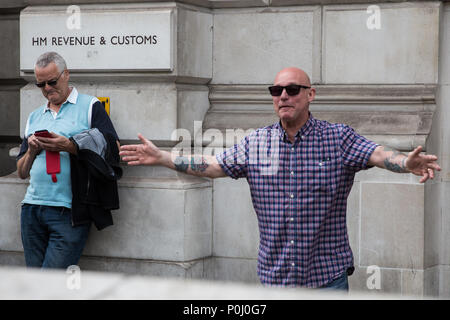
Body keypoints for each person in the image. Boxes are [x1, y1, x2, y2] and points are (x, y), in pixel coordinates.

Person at [119, 67, 441, 290]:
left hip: (326, 280)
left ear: (311, 94)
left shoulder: (337, 138)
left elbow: (377, 153)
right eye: (276, 90)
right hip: (275, 281)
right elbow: (214, 164)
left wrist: (404, 161)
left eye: (292, 89)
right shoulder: (255, 142)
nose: (283, 95)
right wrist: (163, 157)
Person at [16, 52, 120, 269]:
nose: (47, 88)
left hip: (69, 211)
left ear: (66, 75)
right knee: (33, 284)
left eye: (52, 82)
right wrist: (33, 150)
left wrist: (69, 145)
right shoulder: (35, 116)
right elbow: (21, 171)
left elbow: (113, 148)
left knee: (50, 283)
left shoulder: (89, 105)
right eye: (40, 84)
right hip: (32, 209)